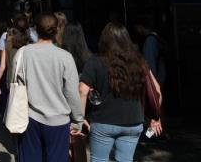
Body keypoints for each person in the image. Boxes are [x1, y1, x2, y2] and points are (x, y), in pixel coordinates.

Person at [79, 22, 162, 162]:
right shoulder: (139, 62)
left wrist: (80, 118)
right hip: (133, 122)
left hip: (103, 121)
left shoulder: (95, 61)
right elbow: (157, 90)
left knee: (99, 159)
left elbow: (82, 90)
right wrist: (155, 117)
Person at [14, 13, 83, 162]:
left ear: (36, 30)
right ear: (57, 30)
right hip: (58, 120)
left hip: (30, 117)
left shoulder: (23, 53)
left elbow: (17, 84)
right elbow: (72, 92)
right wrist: (78, 120)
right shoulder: (65, 57)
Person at [133, 21, 167, 87]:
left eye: (137, 27)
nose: (137, 30)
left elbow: (150, 64)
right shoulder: (155, 37)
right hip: (160, 76)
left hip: (155, 79)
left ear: (141, 27)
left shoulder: (149, 41)